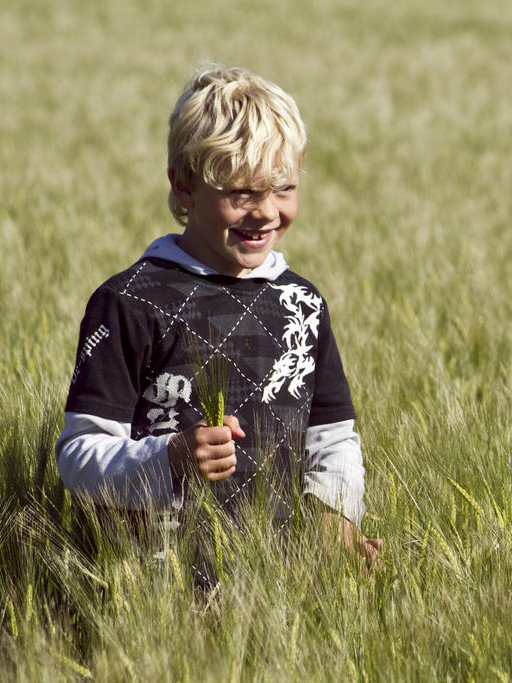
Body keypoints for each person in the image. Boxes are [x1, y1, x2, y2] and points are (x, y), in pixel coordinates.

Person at [55, 65, 382, 579]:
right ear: (184, 187)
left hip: (279, 588)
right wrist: (171, 458)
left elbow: (334, 441)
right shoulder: (130, 301)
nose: (266, 212)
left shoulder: (302, 304)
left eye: (284, 189)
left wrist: (336, 529)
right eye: (241, 194)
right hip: (153, 586)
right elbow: (78, 456)